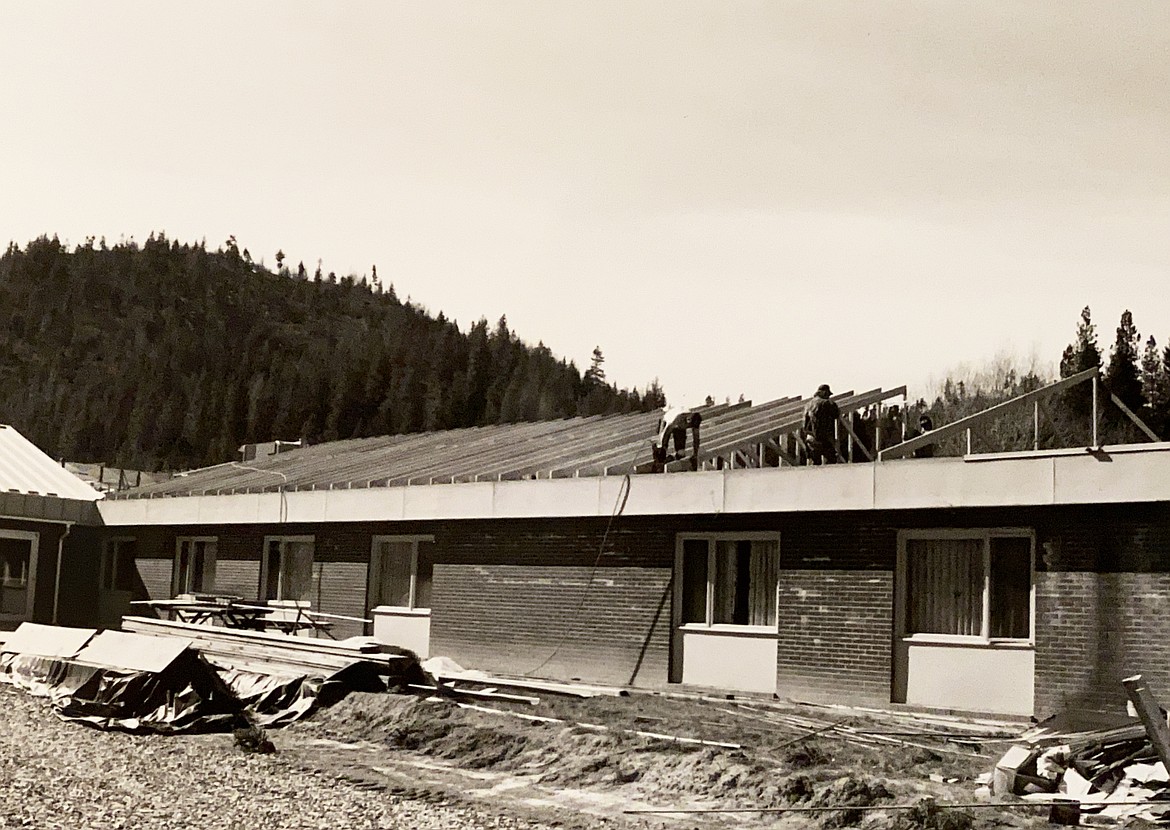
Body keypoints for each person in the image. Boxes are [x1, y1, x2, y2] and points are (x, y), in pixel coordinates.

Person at [803, 384, 840, 465]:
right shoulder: (826, 403)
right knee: (832, 461)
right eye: (828, 394)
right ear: (824, 393)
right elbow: (836, 414)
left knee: (815, 465)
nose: (828, 397)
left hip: (810, 438)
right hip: (822, 438)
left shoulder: (808, 404)